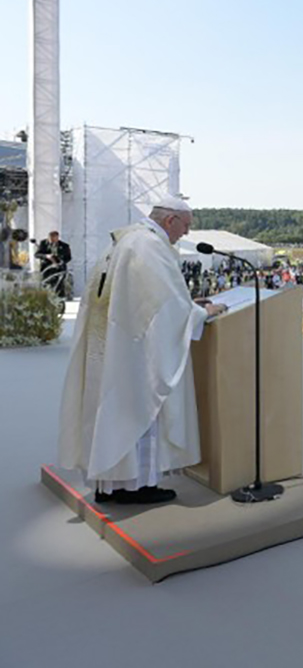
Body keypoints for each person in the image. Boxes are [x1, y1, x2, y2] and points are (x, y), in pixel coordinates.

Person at [58, 195, 227, 505]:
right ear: (170, 220)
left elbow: (150, 298)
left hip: (112, 344)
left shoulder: (128, 239)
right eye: (186, 226)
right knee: (139, 409)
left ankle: (108, 483)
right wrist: (201, 313)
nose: (186, 234)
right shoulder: (149, 247)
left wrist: (188, 306)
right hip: (132, 351)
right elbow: (164, 311)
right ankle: (134, 486)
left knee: (110, 411)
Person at [35, 230, 72, 299]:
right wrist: (46, 256)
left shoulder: (65, 246)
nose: (52, 241)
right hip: (47, 269)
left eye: (54, 238)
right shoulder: (43, 243)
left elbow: (68, 258)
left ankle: (60, 300)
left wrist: (61, 262)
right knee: (46, 284)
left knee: (59, 285)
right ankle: (45, 299)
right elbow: (37, 255)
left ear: (57, 237)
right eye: (50, 239)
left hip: (59, 269)